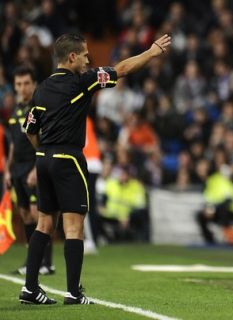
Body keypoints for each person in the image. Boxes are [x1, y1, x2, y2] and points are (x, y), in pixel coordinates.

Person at [19, 32, 171, 305]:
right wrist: (151, 52)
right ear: (72, 57)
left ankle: (30, 288)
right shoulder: (82, 81)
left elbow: (30, 129)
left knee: (44, 224)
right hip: (68, 158)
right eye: (86, 55)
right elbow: (122, 69)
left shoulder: (41, 88)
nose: (90, 59)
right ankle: (73, 293)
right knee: (74, 227)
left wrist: (43, 150)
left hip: (43, 158)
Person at [4, 66, 55, 276]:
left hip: (35, 165)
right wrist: (8, 169)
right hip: (17, 169)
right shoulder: (15, 110)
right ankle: (31, 260)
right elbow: (14, 145)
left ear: (34, 84)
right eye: (18, 84)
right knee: (25, 215)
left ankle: (47, 262)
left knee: (38, 214)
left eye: (26, 83)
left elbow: (43, 142)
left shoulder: (38, 108)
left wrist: (37, 168)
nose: (22, 88)